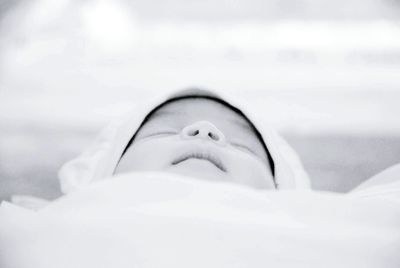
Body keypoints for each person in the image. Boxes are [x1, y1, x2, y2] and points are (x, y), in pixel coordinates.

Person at [1, 88, 399, 268]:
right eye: (162, 130)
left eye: (244, 144)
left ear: (285, 190)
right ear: (98, 178)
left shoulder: (329, 226)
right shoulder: (43, 227)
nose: (206, 130)